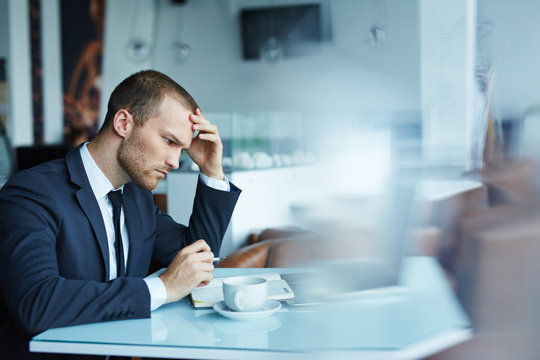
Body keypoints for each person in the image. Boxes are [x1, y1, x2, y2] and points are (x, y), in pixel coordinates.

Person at [0, 70, 241, 359]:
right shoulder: (31, 192)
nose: (176, 162)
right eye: (169, 141)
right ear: (123, 123)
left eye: (182, 149)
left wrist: (212, 172)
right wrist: (161, 288)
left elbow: (195, 257)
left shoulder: (136, 196)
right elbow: (37, 302)